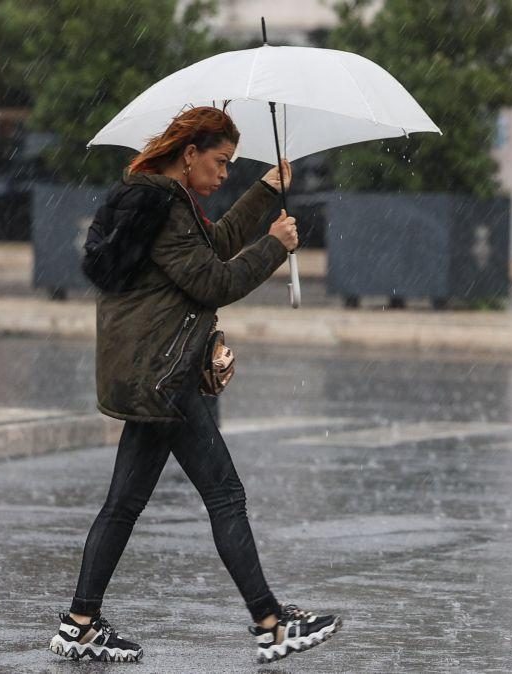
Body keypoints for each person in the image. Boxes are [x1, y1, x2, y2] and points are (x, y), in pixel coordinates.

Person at [49, 106, 341, 664]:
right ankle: (271, 623)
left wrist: (264, 190)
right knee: (224, 495)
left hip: (151, 371)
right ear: (190, 155)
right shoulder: (163, 207)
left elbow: (217, 243)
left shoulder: (163, 200)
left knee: (123, 503)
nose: (225, 172)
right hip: (165, 376)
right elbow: (215, 280)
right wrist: (276, 245)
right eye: (222, 161)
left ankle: (80, 623)